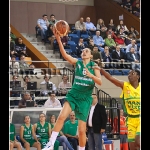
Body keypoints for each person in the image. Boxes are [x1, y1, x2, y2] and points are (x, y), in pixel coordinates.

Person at [42, 27, 102, 150]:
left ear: (90, 55)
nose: (84, 52)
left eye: (86, 51)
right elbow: (65, 55)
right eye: (83, 51)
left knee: (81, 131)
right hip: (74, 95)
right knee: (62, 116)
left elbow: (100, 82)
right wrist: (58, 40)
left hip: (85, 99)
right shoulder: (78, 63)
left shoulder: (94, 66)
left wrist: (91, 75)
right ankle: (51, 143)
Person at [100, 68, 140, 150]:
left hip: (139, 117)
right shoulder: (125, 85)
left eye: (132, 73)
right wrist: (101, 69)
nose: (129, 75)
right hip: (130, 120)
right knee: (132, 147)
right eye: (128, 74)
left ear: (138, 76)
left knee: (138, 141)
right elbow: (111, 78)